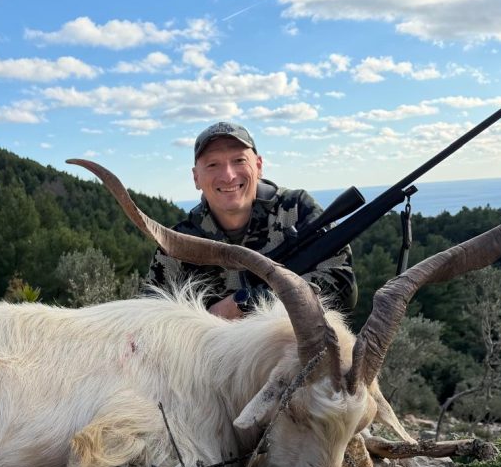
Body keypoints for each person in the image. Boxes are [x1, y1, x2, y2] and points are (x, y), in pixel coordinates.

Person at [147, 121, 357, 319]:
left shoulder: (295, 209)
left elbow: (342, 287)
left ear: (258, 166)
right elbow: (149, 319)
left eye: (239, 160)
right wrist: (209, 320)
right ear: (196, 178)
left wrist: (249, 304)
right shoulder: (176, 245)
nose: (228, 176)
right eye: (212, 165)